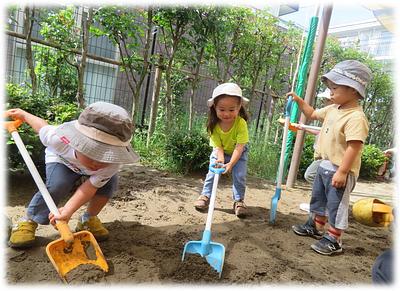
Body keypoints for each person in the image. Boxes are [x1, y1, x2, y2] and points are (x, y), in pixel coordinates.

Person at [6, 102, 139, 248]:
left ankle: (88, 219)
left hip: (91, 175)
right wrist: (24, 115)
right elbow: (42, 127)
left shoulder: (112, 164)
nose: (97, 163)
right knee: (58, 184)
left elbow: (90, 187)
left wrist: (68, 210)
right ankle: (29, 220)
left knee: (109, 184)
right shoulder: (58, 139)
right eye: (92, 153)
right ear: (77, 142)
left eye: (105, 156)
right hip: (62, 160)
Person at [288, 59, 373, 255]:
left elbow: (354, 146)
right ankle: (316, 228)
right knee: (319, 199)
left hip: (340, 169)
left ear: (353, 90)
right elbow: (311, 113)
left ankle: (334, 239)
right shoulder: (333, 108)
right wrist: (299, 100)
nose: (330, 92)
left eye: (335, 87)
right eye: (330, 87)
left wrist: (343, 171)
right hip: (324, 165)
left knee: (336, 205)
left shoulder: (356, 117)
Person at [194, 82, 250, 218]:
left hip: (239, 153)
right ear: (214, 107)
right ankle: (205, 196)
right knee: (212, 173)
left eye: (232, 110)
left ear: (239, 108)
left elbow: (240, 147)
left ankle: (239, 201)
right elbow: (217, 146)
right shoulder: (213, 124)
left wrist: (230, 164)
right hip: (220, 151)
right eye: (222, 109)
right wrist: (221, 159)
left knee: (239, 175)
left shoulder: (241, 123)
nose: (226, 114)